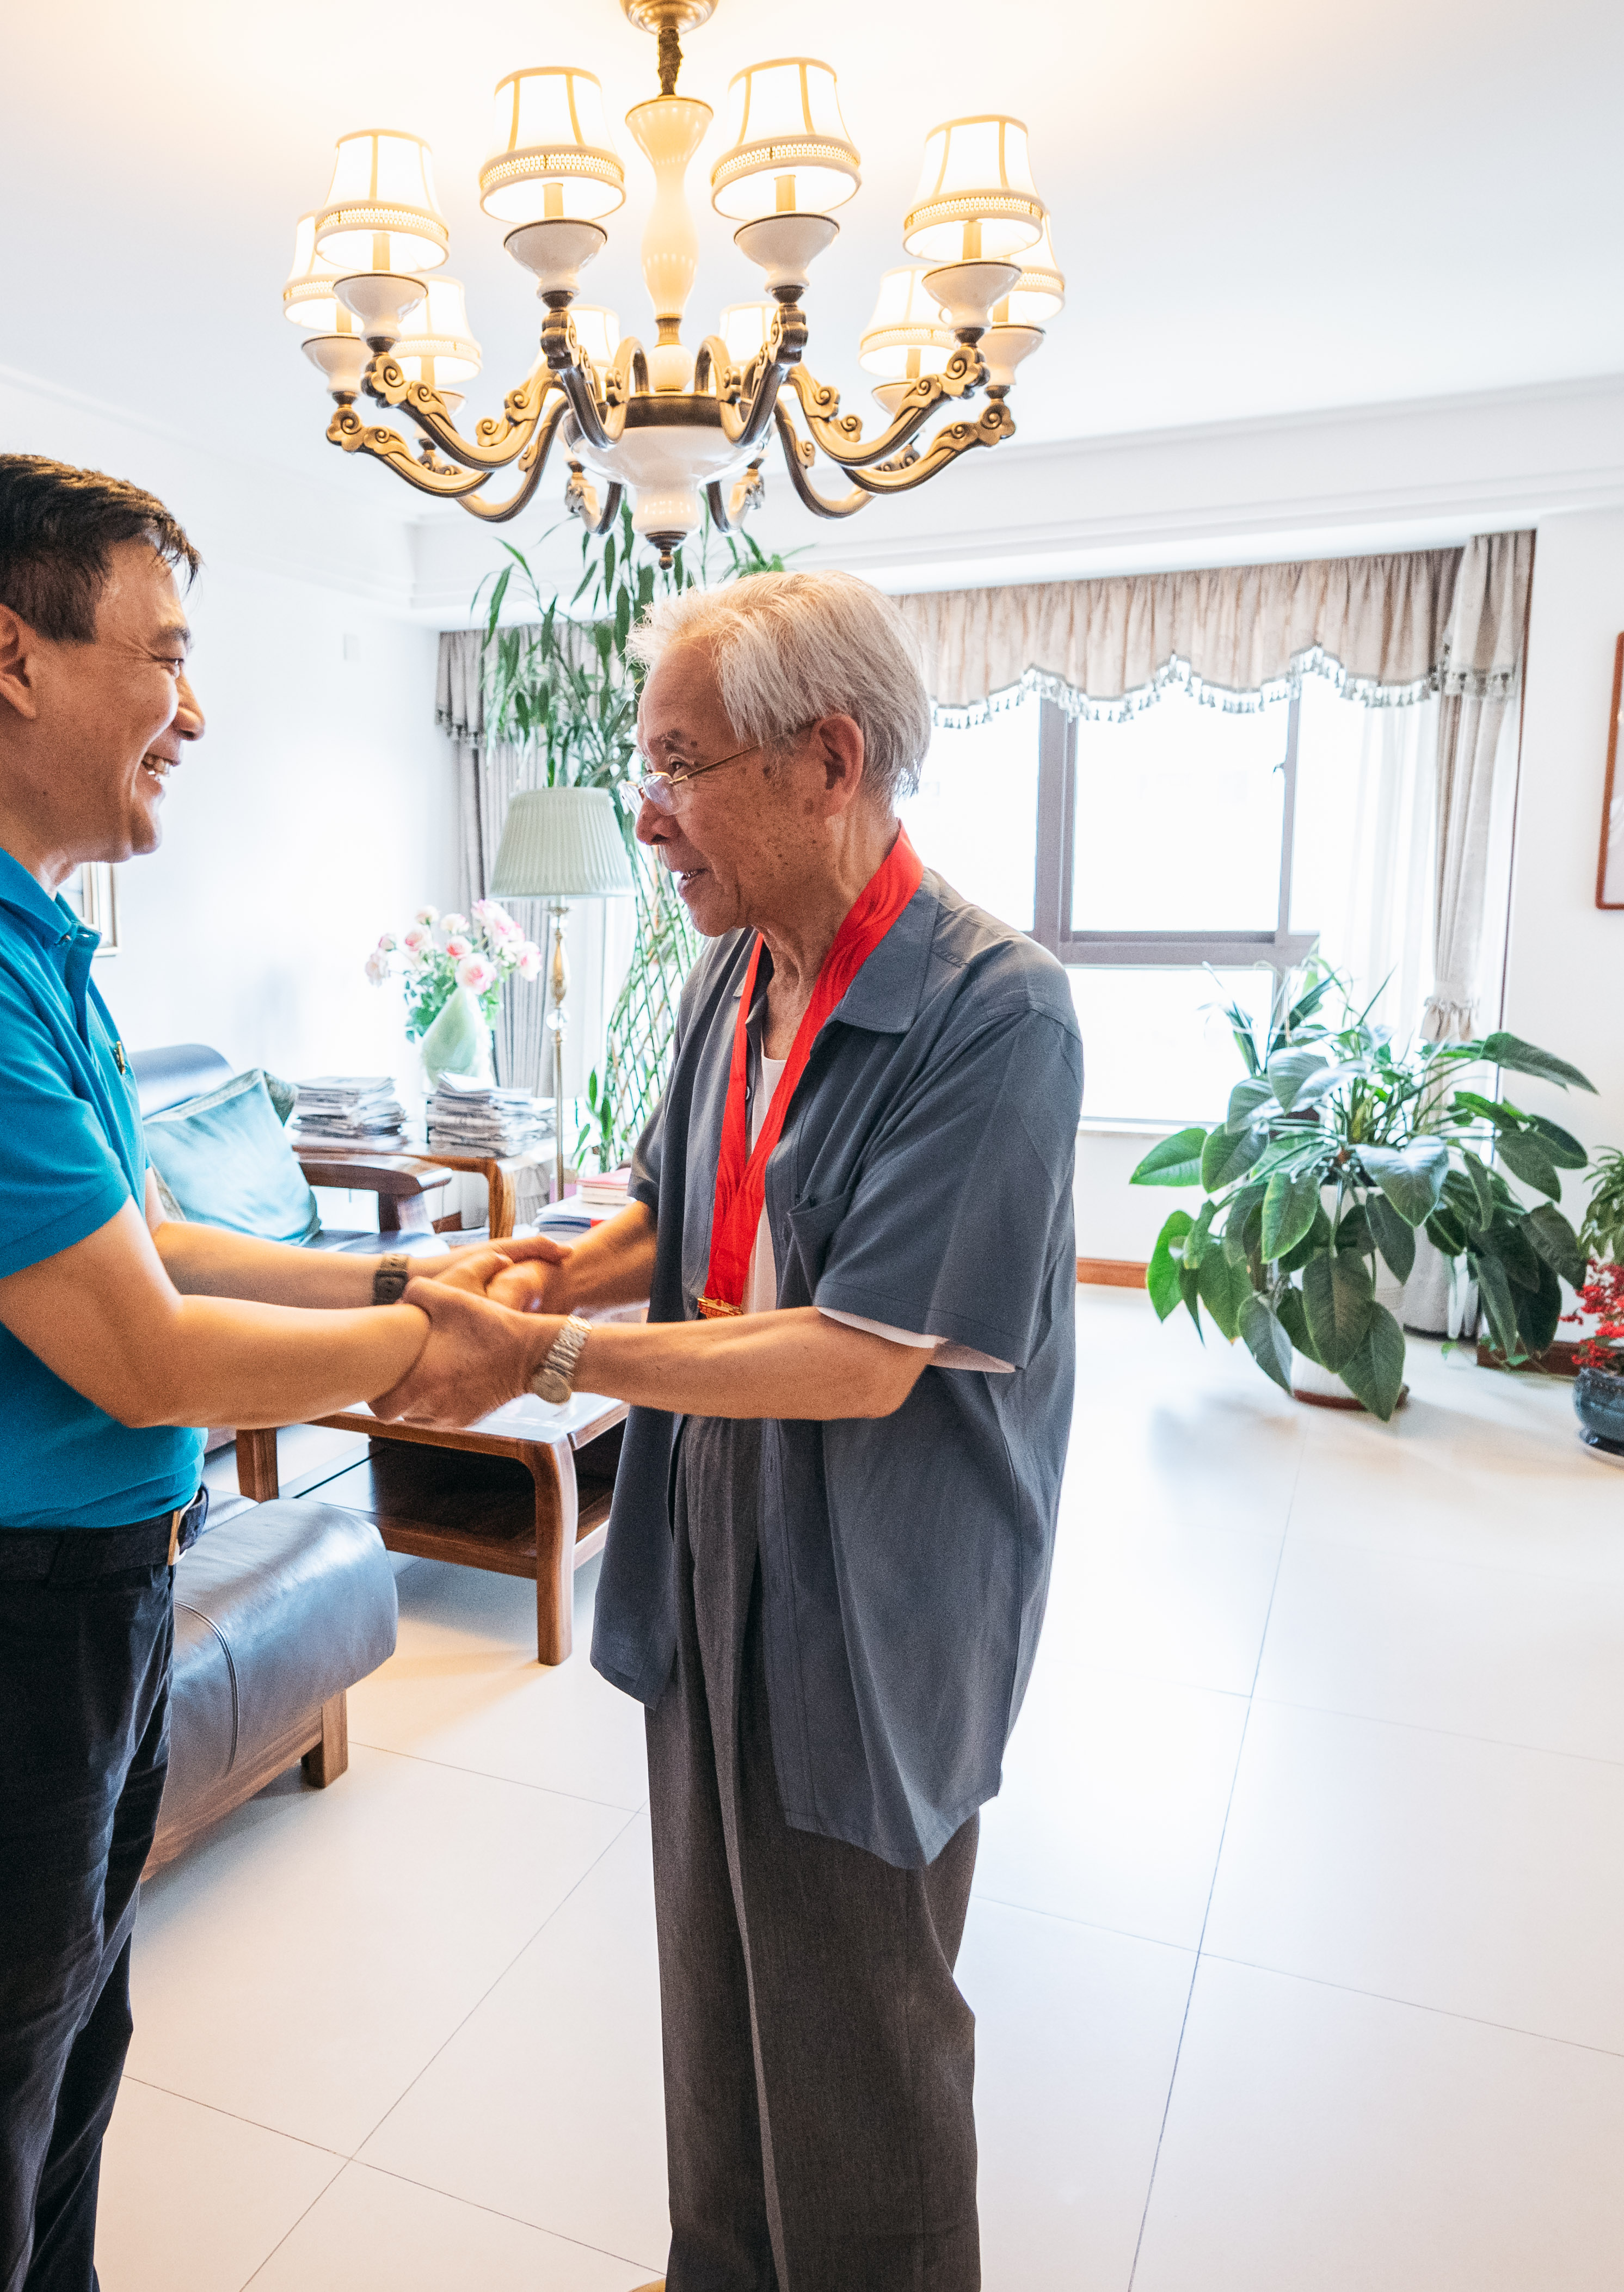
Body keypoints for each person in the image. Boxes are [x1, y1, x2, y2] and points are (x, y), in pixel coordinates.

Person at [0, 452, 546, 2292]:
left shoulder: (1, 919)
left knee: (46, 2117)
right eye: (164, 655)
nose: (193, 711)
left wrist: (407, 1271)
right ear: (10, 654)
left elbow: (143, 1241)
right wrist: (431, 1349)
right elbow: (145, 1355)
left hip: (49, 1615)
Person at [387, 568, 1081, 2291]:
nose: (648, 815)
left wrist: (547, 1354)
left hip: (877, 1581)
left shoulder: (995, 1012)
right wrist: (537, 1267)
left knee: (857, 2019)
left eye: (679, 766)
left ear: (827, 761)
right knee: (712, 1962)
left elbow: (857, 1359)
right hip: (712, 1537)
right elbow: (673, 1201)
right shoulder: (733, 968)